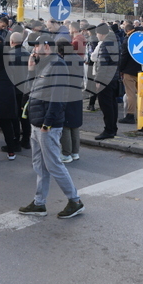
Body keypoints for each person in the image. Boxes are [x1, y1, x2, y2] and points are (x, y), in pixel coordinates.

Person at [18, 34, 84, 219]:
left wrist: (47, 122)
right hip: (37, 122)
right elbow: (32, 90)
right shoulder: (44, 64)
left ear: (46, 47)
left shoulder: (58, 65)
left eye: (36, 46)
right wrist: (31, 69)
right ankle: (39, 203)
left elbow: (57, 97)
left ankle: (75, 201)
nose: (34, 49)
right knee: (39, 165)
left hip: (47, 125)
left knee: (54, 164)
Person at [90, 23, 120, 140]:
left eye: (97, 33)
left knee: (106, 106)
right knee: (112, 105)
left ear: (101, 33)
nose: (96, 36)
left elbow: (103, 65)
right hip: (114, 78)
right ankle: (113, 128)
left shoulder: (105, 44)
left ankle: (108, 130)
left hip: (105, 80)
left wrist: (98, 81)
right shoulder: (116, 41)